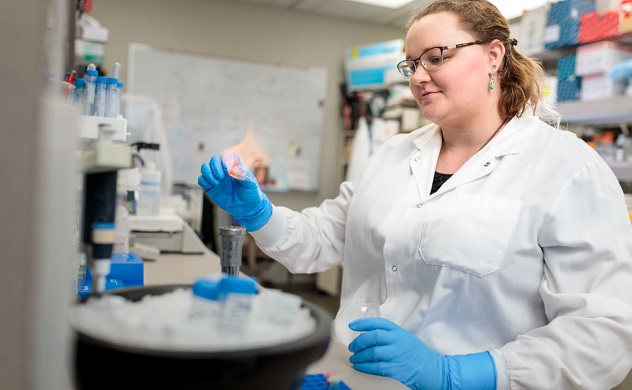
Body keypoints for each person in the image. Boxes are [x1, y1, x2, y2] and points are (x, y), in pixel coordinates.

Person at [198, 0, 632, 388]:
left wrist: (461, 375)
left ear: (494, 56)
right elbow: (324, 240)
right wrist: (258, 212)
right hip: (351, 375)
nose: (419, 76)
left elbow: (604, 331)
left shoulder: (567, 168)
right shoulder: (394, 154)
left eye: (436, 57)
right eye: (411, 64)